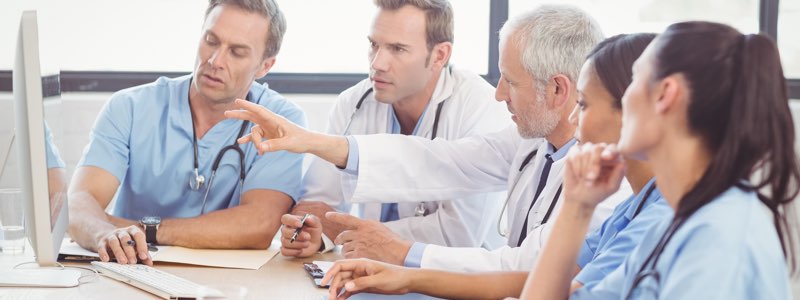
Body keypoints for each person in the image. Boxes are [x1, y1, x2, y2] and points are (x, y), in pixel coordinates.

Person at [228, 4, 628, 272]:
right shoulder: (529, 142)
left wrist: (400, 253)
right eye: (374, 45)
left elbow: (521, 265)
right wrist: (310, 141)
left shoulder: (609, 178)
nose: (499, 93)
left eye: (511, 81)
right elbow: (439, 161)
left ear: (558, 90)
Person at [318, 33, 676, 300]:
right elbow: (543, 281)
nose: (573, 118)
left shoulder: (658, 218)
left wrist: (406, 260)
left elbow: (542, 283)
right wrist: (406, 276)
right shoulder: (634, 208)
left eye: (583, 104)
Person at [521, 21, 799, 299]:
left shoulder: (718, 238)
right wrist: (577, 206)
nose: (625, 96)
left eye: (634, 79)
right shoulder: (672, 225)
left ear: (665, 94)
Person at [67, 0, 305, 266]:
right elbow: (78, 203)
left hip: (229, 281)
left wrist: (144, 230)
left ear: (264, 66)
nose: (215, 61)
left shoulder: (281, 122)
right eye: (211, 41)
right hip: (131, 268)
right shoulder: (130, 107)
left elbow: (259, 225)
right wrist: (104, 232)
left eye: (237, 52)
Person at [280, 0, 509, 261]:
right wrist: (310, 233)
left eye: (397, 49)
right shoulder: (353, 103)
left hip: (454, 280)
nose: (378, 63)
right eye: (373, 45)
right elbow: (317, 204)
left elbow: (458, 235)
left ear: (439, 55)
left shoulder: (480, 107)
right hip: (368, 271)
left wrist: (343, 231)